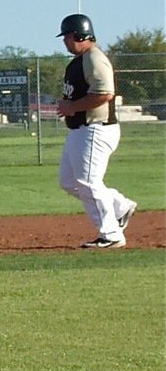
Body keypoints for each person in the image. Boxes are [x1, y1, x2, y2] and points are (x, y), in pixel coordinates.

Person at [55, 13, 136, 249]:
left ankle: (111, 234)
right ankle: (120, 207)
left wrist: (72, 106)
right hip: (80, 130)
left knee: (88, 182)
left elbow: (105, 94)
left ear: (80, 35)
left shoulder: (94, 58)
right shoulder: (79, 61)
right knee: (69, 181)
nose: (65, 41)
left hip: (95, 129)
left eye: (68, 36)